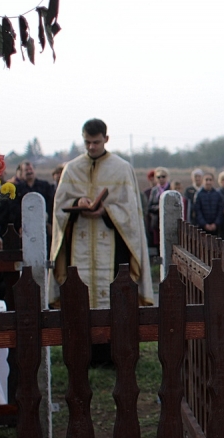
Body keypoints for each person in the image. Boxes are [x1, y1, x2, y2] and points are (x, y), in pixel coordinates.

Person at [49, 119, 154, 363]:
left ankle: (113, 354)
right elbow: (59, 207)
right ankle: (82, 354)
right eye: (87, 142)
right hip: (80, 245)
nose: (92, 147)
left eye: (96, 142)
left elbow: (131, 212)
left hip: (114, 245)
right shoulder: (72, 168)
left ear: (106, 139)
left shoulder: (121, 168)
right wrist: (78, 204)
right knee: (79, 295)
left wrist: (106, 210)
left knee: (116, 296)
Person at [11, 160, 54, 234]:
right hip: (25, 225)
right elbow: (14, 208)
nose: (29, 172)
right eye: (26, 170)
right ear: (22, 173)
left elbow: (51, 205)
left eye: (30, 169)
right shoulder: (17, 189)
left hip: (43, 224)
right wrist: (19, 226)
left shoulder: (45, 186)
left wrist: (50, 222)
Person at [147, 167, 171, 247]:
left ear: (167, 177)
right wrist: (159, 208)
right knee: (158, 245)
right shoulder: (154, 190)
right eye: (158, 177)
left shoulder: (171, 188)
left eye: (163, 176)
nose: (161, 179)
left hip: (169, 221)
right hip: (157, 221)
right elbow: (149, 207)